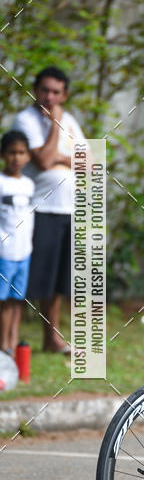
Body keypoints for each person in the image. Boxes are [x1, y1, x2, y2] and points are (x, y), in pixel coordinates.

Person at [13, 67, 86, 353]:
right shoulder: (25, 120)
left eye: (56, 92)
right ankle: (10, 342)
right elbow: (43, 161)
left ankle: (51, 338)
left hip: (68, 210)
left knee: (57, 280)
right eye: (44, 90)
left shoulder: (71, 119)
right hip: (38, 209)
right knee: (29, 277)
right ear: (35, 90)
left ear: (65, 94)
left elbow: (89, 161)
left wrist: (59, 157)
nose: (49, 97)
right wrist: (55, 128)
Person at [0, 131, 34, 355]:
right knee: (2, 300)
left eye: (21, 152)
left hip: (24, 252)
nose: (16, 158)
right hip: (4, 253)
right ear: (3, 154)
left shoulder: (30, 185)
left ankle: (12, 342)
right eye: (12, 152)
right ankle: (3, 345)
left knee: (17, 299)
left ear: (28, 156)